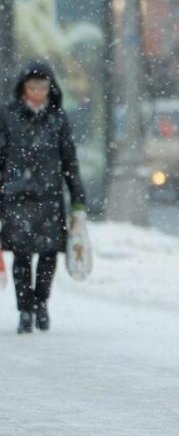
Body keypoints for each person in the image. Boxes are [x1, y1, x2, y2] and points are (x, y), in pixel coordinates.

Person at [0, 60, 86, 334]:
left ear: (51, 89)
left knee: (49, 256)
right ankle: (24, 310)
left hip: (49, 197)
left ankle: (41, 303)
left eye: (42, 87)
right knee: (22, 257)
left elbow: (70, 162)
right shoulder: (7, 116)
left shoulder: (58, 119)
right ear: (23, 89)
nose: (37, 92)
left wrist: (78, 202)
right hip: (17, 197)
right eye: (32, 87)